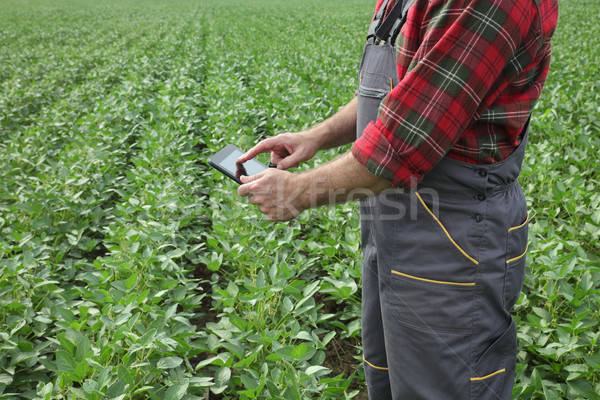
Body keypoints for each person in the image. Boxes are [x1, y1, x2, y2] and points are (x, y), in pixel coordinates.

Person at [237, 0, 558, 398]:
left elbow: (405, 140)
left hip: (454, 240)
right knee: (390, 379)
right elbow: (406, 89)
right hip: (393, 225)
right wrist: (317, 135)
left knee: (444, 387)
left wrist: (299, 192)